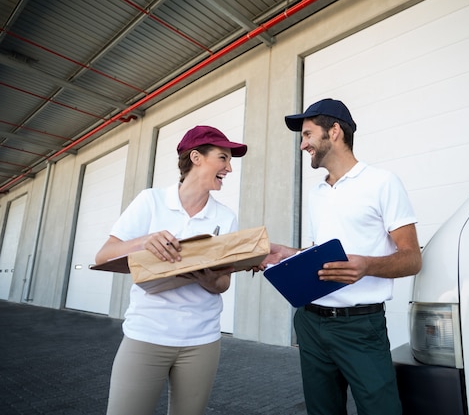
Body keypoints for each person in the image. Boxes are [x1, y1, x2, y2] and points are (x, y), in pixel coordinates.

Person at [260, 98, 422, 415]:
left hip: (361, 328)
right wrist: (290, 254)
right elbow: (322, 255)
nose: (303, 144)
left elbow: (412, 258)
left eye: (307, 135)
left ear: (334, 131)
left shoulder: (382, 183)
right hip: (310, 323)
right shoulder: (318, 193)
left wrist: (367, 266)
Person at [94, 125, 247, 415]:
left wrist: (210, 278)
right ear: (196, 157)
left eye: (229, 160)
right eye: (223, 158)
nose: (229, 168)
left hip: (202, 341)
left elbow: (223, 284)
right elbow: (103, 256)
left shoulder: (225, 218)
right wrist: (143, 241)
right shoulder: (151, 201)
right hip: (146, 335)